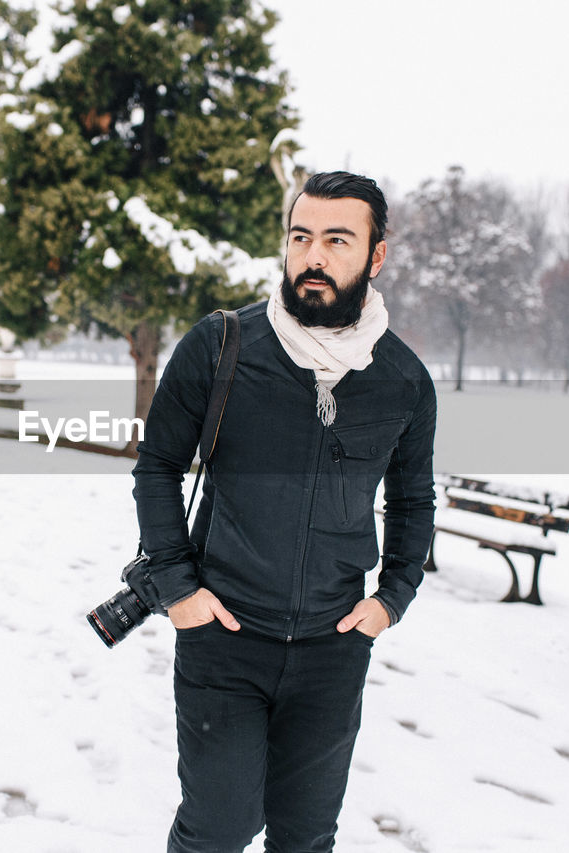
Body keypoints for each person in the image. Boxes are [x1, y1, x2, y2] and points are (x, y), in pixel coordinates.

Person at [132, 170, 438, 852]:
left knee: (305, 837)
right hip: (225, 637)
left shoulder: (403, 380)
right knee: (219, 826)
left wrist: (392, 597)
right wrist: (180, 588)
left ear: (375, 255)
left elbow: (413, 499)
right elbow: (156, 465)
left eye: (337, 239)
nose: (314, 257)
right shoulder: (221, 347)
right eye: (301, 237)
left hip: (333, 651)